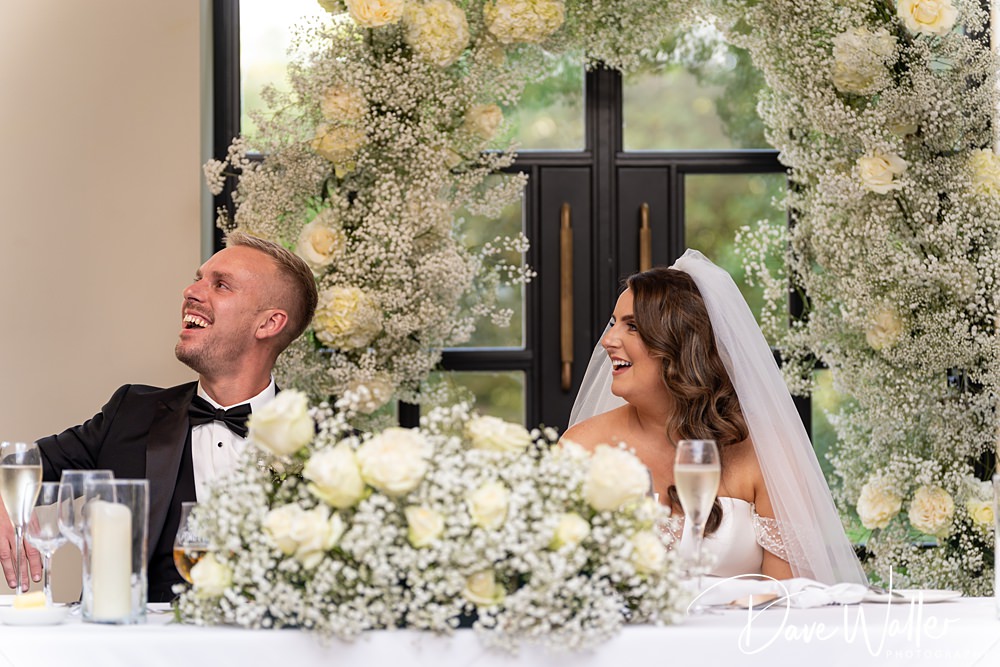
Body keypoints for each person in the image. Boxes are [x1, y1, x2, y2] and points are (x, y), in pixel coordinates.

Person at [0, 232, 318, 601]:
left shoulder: (332, 450)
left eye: (221, 285)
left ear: (268, 324)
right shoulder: (131, 414)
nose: (191, 291)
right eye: (199, 278)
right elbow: (16, 466)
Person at [562, 249, 865, 585]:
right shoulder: (581, 448)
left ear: (680, 345)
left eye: (632, 326)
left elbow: (791, 598)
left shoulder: (766, 451)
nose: (608, 340)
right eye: (613, 323)